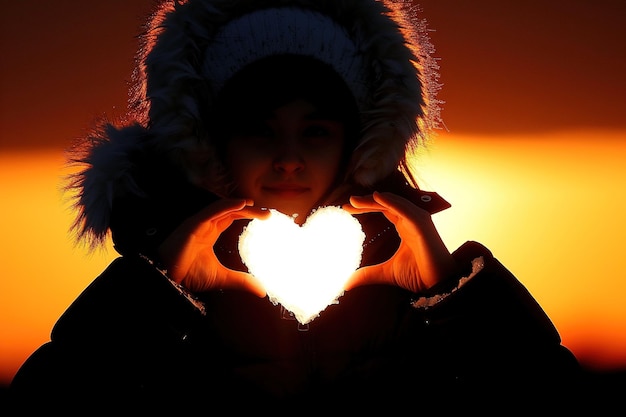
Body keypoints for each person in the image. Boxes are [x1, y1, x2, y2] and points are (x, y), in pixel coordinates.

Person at [9, 0, 585, 413]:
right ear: (210, 142)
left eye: (314, 131)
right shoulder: (160, 308)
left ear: (356, 139)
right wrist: (160, 295)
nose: (289, 159)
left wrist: (450, 292)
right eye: (261, 131)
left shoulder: (422, 306)